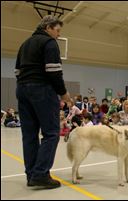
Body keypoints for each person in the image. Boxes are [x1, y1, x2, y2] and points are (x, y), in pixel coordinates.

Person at [15, 15, 70, 188]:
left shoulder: (24, 44)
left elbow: (17, 71)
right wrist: (63, 93)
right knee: (51, 132)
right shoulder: (49, 43)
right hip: (42, 90)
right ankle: (40, 174)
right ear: (48, 28)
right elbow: (54, 71)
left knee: (29, 135)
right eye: (57, 30)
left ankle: (31, 174)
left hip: (22, 89)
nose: (58, 35)